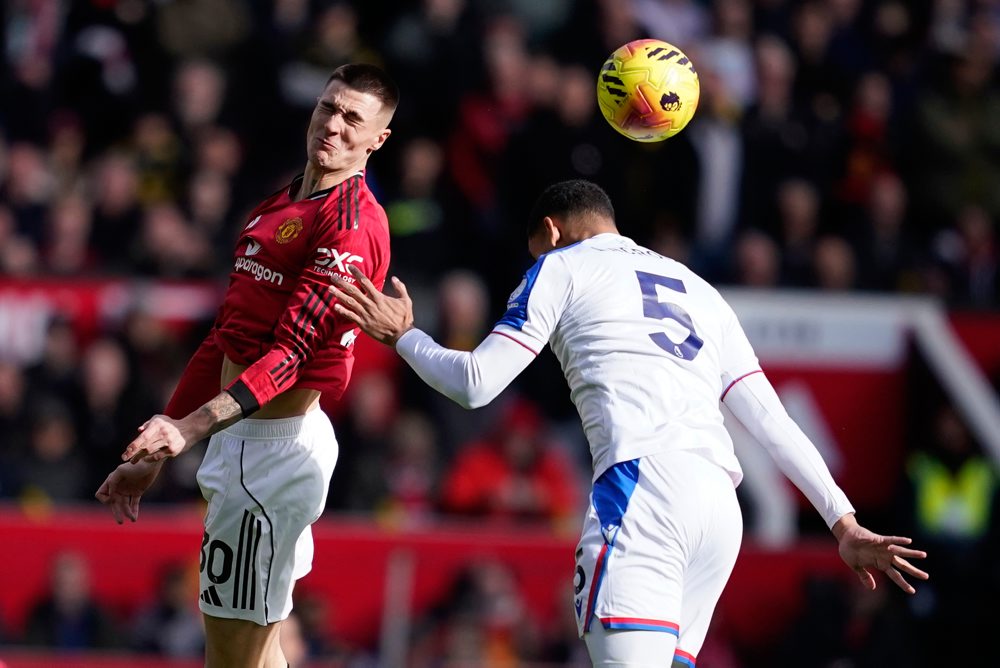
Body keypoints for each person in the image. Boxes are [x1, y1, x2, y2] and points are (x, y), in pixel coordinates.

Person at [329, 179, 929, 667]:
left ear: (551, 232)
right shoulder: (700, 290)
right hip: (720, 506)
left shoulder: (559, 266)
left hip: (645, 490)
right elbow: (770, 420)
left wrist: (404, 336)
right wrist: (843, 521)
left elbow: (476, 383)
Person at [94, 63, 398, 668]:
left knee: (232, 651)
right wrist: (159, 448)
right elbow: (226, 339)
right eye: (328, 108)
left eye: (352, 119)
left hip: (275, 451)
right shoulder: (279, 202)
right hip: (244, 443)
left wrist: (187, 430)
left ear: (376, 141)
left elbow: (290, 358)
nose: (333, 126)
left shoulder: (350, 225)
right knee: (252, 648)